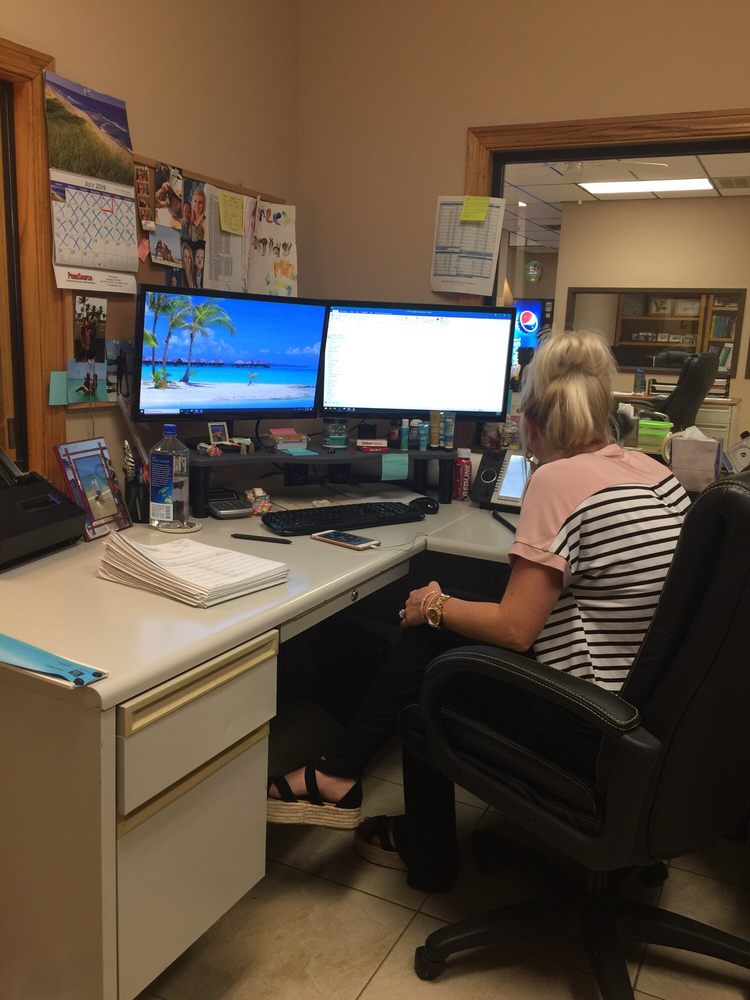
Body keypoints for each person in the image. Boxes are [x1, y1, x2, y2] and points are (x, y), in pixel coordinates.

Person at [266, 329, 690, 890]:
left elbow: (516, 630)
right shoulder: (655, 472)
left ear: (529, 424)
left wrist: (434, 604)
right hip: (648, 714)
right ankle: (338, 773)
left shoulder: (558, 480)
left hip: (588, 721)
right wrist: (444, 607)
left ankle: (419, 848)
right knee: (438, 625)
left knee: (427, 673)